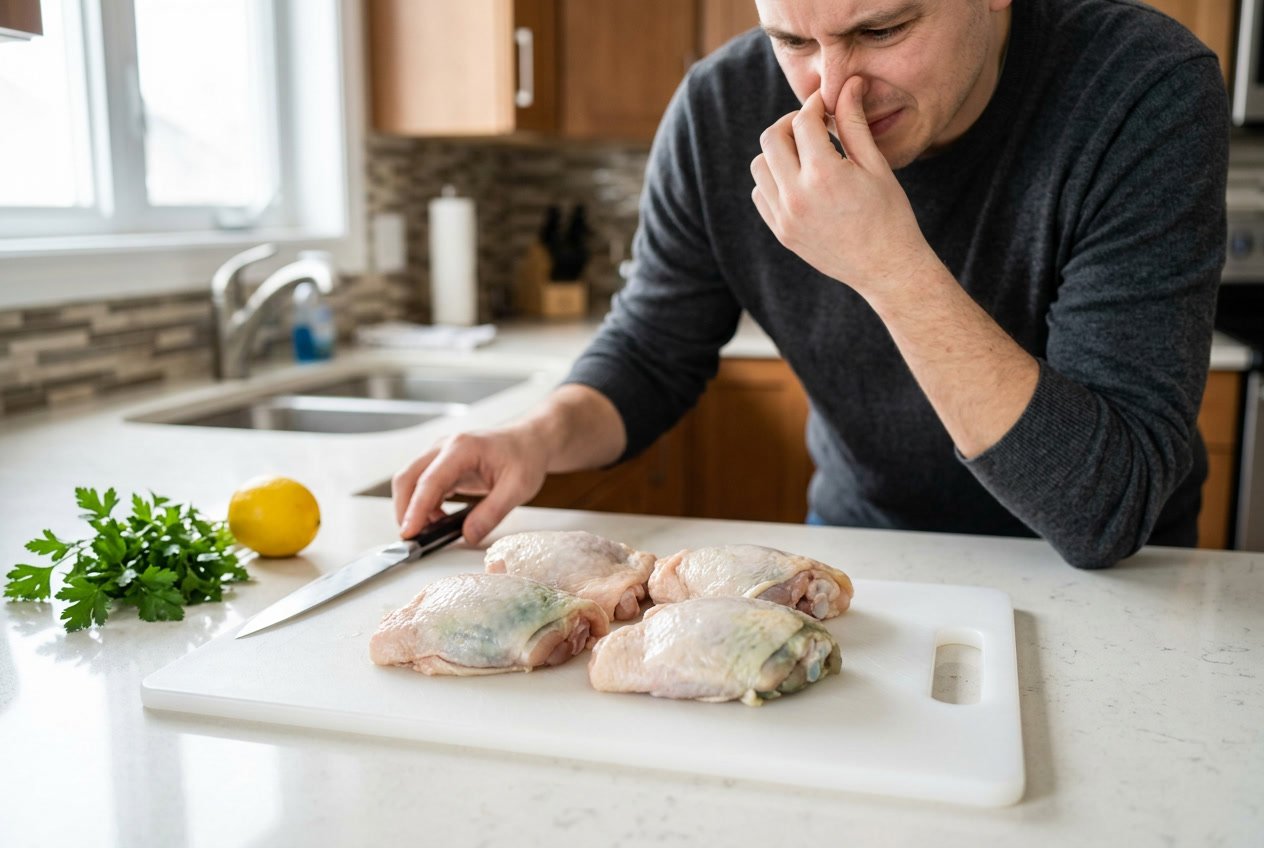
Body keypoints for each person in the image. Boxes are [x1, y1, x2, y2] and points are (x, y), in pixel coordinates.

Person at [393, 0, 1228, 569]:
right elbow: (651, 349)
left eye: (882, 28)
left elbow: (1103, 511)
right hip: (864, 551)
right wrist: (534, 440)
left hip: (1115, 579)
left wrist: (889, 265)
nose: (833, 89)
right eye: (792, 41)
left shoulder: (1139, 86)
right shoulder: (719, 108)